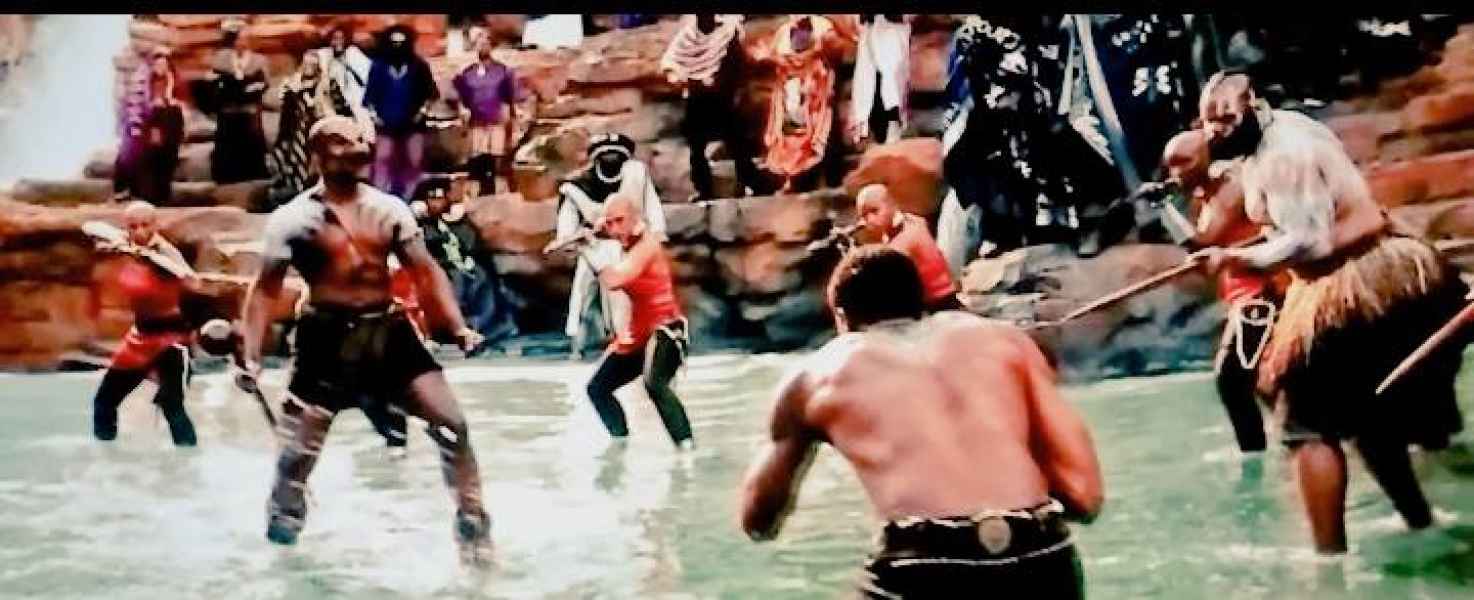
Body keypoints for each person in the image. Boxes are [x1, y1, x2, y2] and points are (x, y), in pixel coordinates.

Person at [1192, 72, 1468, 554]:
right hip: (1382, 270)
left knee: (1304, 422)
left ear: (1254, 108)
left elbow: (1310, 241)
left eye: (1227, 122)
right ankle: (1420, 523)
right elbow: (1305, 219)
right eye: (1210, 125)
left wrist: (1237, 258)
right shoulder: (1284, 130)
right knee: (1368, 417)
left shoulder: (1284, 156)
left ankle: (1327, 558)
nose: (1218, 133)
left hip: (1357, 283)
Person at [739, 245, 1103, 598]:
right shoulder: (1006, 342)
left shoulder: (818, 373)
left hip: (926, 563)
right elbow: (1084, 495)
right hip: (1042, 556)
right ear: (921, 302)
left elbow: (758, 520)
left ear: (842, 318)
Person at [239, 115, 491, 562]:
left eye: (359, 139)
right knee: (296, 457)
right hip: (325, 340)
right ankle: (283, 535)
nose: (356, 148)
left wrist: (455, 326)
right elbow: (264, 291)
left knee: (453, 426)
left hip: (388, 334)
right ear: (318, 155)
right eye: (342, 142)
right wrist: (251, 353)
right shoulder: (293, 219)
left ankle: (472, 524)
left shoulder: (388, 210)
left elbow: (425, 271)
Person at [1163, 129, 1272, 455]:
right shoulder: (1207, 195)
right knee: (1250, 382)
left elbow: (1202, 243)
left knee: (1231, 379)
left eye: (1183, 163)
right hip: (1243, 296)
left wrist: (1164, 209)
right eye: (1171, 166)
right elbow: (1204, 259)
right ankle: (1268, 446)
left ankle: (1255, 453)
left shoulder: (1231, 188)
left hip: (1262, 296)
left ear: (1206, 158)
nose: (1175, 174)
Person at [575, 193, 694, 448]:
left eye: (620, 221)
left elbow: (615, 280)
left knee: (654, 384)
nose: (615, 229)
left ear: (635, 218)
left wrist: (588, 251)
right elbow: (599, 227)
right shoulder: (619, 234)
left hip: (666, 329)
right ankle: (620, 445)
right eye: (610, 223)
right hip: (638, 334)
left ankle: (687, 449)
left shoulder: (647, 245)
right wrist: (577, 238)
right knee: (597, 389)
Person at [88, 201, 202, 447]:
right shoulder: (125, 244)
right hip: (140, 337)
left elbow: (192, 281)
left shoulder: (165, 252)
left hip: (171, 339)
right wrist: (121, 245)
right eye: (133, 226)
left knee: (172, 406)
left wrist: (152, 259)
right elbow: (90, 226)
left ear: (156, 225)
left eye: (145, 225)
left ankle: (188, 463)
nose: (139, 231)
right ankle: (105, 458)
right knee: (104, 403)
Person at [551, 133, 668, 357]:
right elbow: (567, 223)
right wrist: (569, 239)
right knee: (584, 294)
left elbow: (652, 208)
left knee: (632, 297)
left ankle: (633, 340)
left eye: (616, 156)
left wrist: (655, 235)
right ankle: (579, 343)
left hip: (632, 247)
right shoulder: (576, 186)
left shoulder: (636, 176)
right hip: (594, 246)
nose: (611, 160)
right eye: (606, 155)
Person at [660, 14, 768, 200]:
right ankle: (703, 190)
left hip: (724, 98)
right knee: (697, 148)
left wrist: (726, 84)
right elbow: (671, 64)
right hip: (697, 100)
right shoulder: (688, 35)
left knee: (737, 143)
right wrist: (680, 77)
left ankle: (751, 183)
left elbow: (737, 64)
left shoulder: (727, 32)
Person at [414, 176, 520, 351]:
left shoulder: (458, 222)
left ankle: (478, 326)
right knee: (457, 282)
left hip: (466, 267)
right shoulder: (419, 225)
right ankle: (459, 329)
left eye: (440, 197)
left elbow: (471, 244)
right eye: (432, 198)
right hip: (440, 270)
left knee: (482, 278)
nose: (436, 203)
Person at [268, 51, 372, 207]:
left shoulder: (328, 84)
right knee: (295, 165)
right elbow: (284, 110)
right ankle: (297, 197)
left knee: (320, 165)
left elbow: (342, 108)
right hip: (297, 133)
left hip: (322, 132)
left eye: (313, 64)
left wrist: (344, 125)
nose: (309, 67)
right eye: (306, 64)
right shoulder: (292, 85)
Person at [757, 15, 845, 192]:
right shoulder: (783, 34)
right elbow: (773, 58)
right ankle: (792, 178)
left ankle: (829, 178)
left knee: (820, 137)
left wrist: (817, 60)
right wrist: (776, 61)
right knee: (791, 137)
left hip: (816, 93)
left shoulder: (824, 29)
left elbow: (835, 55)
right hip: (791, 91)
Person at [854, 184, 961, 313]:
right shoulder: (912, 220)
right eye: (864, 216)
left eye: (874, 211)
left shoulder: (905, 239)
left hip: (939, 302)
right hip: (936, 299)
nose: (870, 219)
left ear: (892, 205)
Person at [364, 25, 439, 199]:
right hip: (386, 125)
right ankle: (381, 198)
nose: (398, 46)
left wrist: (422, 112)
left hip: (413, 125)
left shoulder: (419, 65)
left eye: (401, 42)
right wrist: (374, 117)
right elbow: (369, 96)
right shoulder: (379, 66)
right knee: (383, 159)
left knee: (413, 161)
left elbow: (431, 93)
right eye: (394, 43)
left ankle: (408, 198)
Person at [113, 45, 184, 206]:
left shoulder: (173, 81)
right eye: (158, 64)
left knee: (165, 161)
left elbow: (181, 103)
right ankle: (138, 193)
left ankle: (161, 195)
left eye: (164, 64)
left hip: (169, 129)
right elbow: (134, 108)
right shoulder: (143, 82)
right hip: (147, 127)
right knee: (139, 158)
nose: (161, 67)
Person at [202, 18, 270, 184]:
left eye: (244, 38)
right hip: (228, 112)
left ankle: (252, 178)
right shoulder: (221, 58)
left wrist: (255, 87)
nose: (242, 42)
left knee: (251, 148)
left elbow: (265, 82)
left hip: (248, 112)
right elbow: (211, 80)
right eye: (239, 38)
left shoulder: (258, 60)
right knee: (227, 149)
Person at [453, 31, 521, 195]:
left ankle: (497, 194)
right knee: (478, 161)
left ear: (491, 46)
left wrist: (511, 124)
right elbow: (460, 97)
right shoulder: (467, 73)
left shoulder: (502, 71)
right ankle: (479, 195)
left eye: (486, 43)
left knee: (496, 161)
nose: (482, 46)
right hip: (476, 123)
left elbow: (509, 98)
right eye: (479, 43)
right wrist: (462, 110)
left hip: (496, 122)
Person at [849, 14, 910, 147]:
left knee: (891, 78)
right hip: (870, 28)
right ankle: (866, 130)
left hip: (893, 29)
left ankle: (893, 124)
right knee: (866, 80)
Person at [316, 24, 372, 122]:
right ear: (330, 40)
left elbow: (369, 73)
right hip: (332, 103)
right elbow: (312, 57)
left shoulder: (353, 53)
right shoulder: (324, 55)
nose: (338, 42)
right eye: (335, 38)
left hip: (354, 101)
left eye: (341, 38)